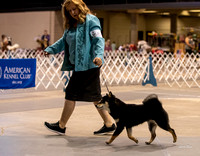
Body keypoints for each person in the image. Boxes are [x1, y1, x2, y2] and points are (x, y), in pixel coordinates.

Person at [44, 0, 115, 135]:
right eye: (69, 11)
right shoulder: (70, 25)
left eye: (74, 9)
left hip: (90, 64)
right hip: (78, 65)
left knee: (71, 93)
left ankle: (61, 125)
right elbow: (63, 41)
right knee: (95, 96)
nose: (73, 12)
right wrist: (51, 49)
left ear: (81, 7)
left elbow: (98, 40)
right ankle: (109, 123)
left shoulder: (91, 20)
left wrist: (99, 56)